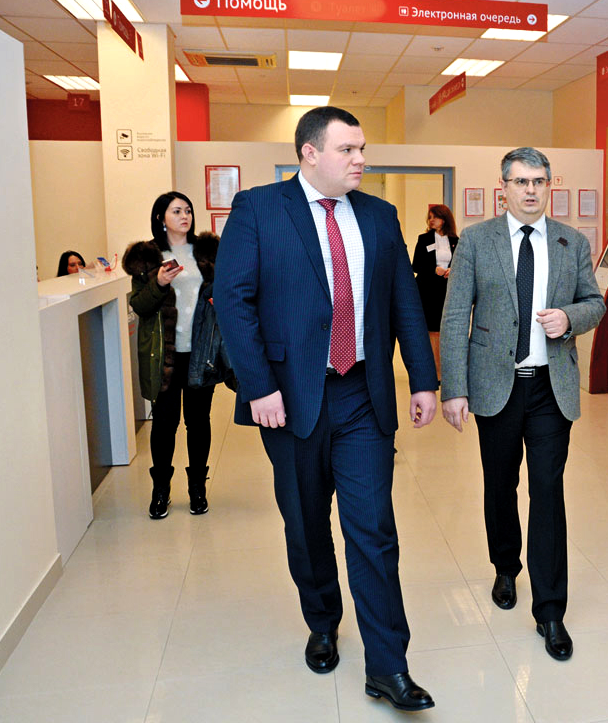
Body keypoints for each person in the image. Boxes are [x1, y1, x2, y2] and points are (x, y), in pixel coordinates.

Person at [214, 106, 438, 712]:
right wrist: (259, 386)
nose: (360, 159)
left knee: (374, 529)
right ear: (309, 153)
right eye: (348, 150)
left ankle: (388, 666)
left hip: (363, 394)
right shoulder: (259, 210)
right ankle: (322, 619)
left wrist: (423, 378)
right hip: (289, 400)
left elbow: (405, 303)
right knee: (307, 524)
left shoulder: (380, 216)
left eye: (362, 149)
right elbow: (232, 301)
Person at [439, 147, 605, 662]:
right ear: (503, 188)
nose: (531, 190)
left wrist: (570, 319)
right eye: (521, 181)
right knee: (500, 484)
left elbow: (595, 302)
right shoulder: (476, 241)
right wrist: (454, 387)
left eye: (539, 181)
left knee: (548, 491)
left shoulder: (571, 242)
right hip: (496, 386)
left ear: (549, 186)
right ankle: (506, 567)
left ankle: (550, 610)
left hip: (551, 388)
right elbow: (455, 315)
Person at [123, 192, 231, 520]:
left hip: (201, 351)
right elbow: (139, 305)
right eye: (176, 211)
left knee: (198, 422)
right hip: (164, 355)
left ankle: (197, 488)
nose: (185, 216)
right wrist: (157, 283)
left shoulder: (209, 251)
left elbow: (227, 291)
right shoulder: (147, 257)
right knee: (164, 423)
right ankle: (161, 491)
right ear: (161, 218)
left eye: (188, 211)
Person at [410, 204, 459, 376]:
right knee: (430, 329)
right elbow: (416, 265)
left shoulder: (455, 240)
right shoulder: (424, 239)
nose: (431, 220)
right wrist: (433, 269)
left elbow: (461, 263)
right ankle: (432, 370)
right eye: (429, 217)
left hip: (447, 288)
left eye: (435, 217)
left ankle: (444, 370)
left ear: (444, 219)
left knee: (444, 328)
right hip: (428, 290)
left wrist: (452, 269)